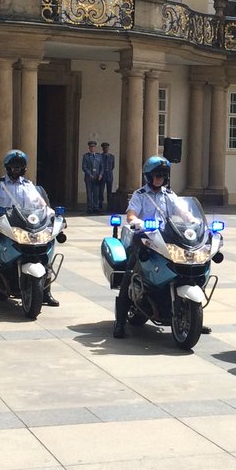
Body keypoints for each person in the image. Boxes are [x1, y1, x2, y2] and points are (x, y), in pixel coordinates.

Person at [0, 149, 59, 308]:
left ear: (24, 168)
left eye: (19, 166)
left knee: (44, 253)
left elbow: (39, 201)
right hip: (3, 224)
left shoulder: (28, 184)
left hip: (25, 225)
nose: (16, 169)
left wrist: (49, 210)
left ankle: (45, 293)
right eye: (13, 166)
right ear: (7, 167)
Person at [113, 155, 178, 338]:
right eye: (157, 175)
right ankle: (120, 322)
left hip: (166, 240)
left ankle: (191, 315)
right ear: (149, 176)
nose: (160, 179)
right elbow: (131, 215)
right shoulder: (140, 195)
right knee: (130, 273)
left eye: (163, 175)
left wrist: (192, 221)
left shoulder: (170, 196)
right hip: (144, 239)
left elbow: (183, 212)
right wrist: (138, 222)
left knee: (186, 268)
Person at [82, 140, 103, 214]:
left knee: (96, 193)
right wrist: (89, 174)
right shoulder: (86, 156)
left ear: (95, 147)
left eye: (93, 147)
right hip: (89, 177)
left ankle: (96, 207)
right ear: (89, 147)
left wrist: (100, 174)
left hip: (97, 177)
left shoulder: (99, 156)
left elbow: (102, 167)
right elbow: (84, 167)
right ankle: (89, 207)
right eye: (91, 147)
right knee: (89, 193)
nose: (92, 148)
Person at [101, 142, 115, 211]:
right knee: (101, 191)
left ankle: (109, 205)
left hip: (109, 175)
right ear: (102, 149)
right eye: (104, 148)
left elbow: (112, 166)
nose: (106, 149)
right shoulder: (100, 156)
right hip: (102, 175)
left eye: (107, 147)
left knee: (109, 191)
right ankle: (100, 204)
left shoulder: (111, 156)